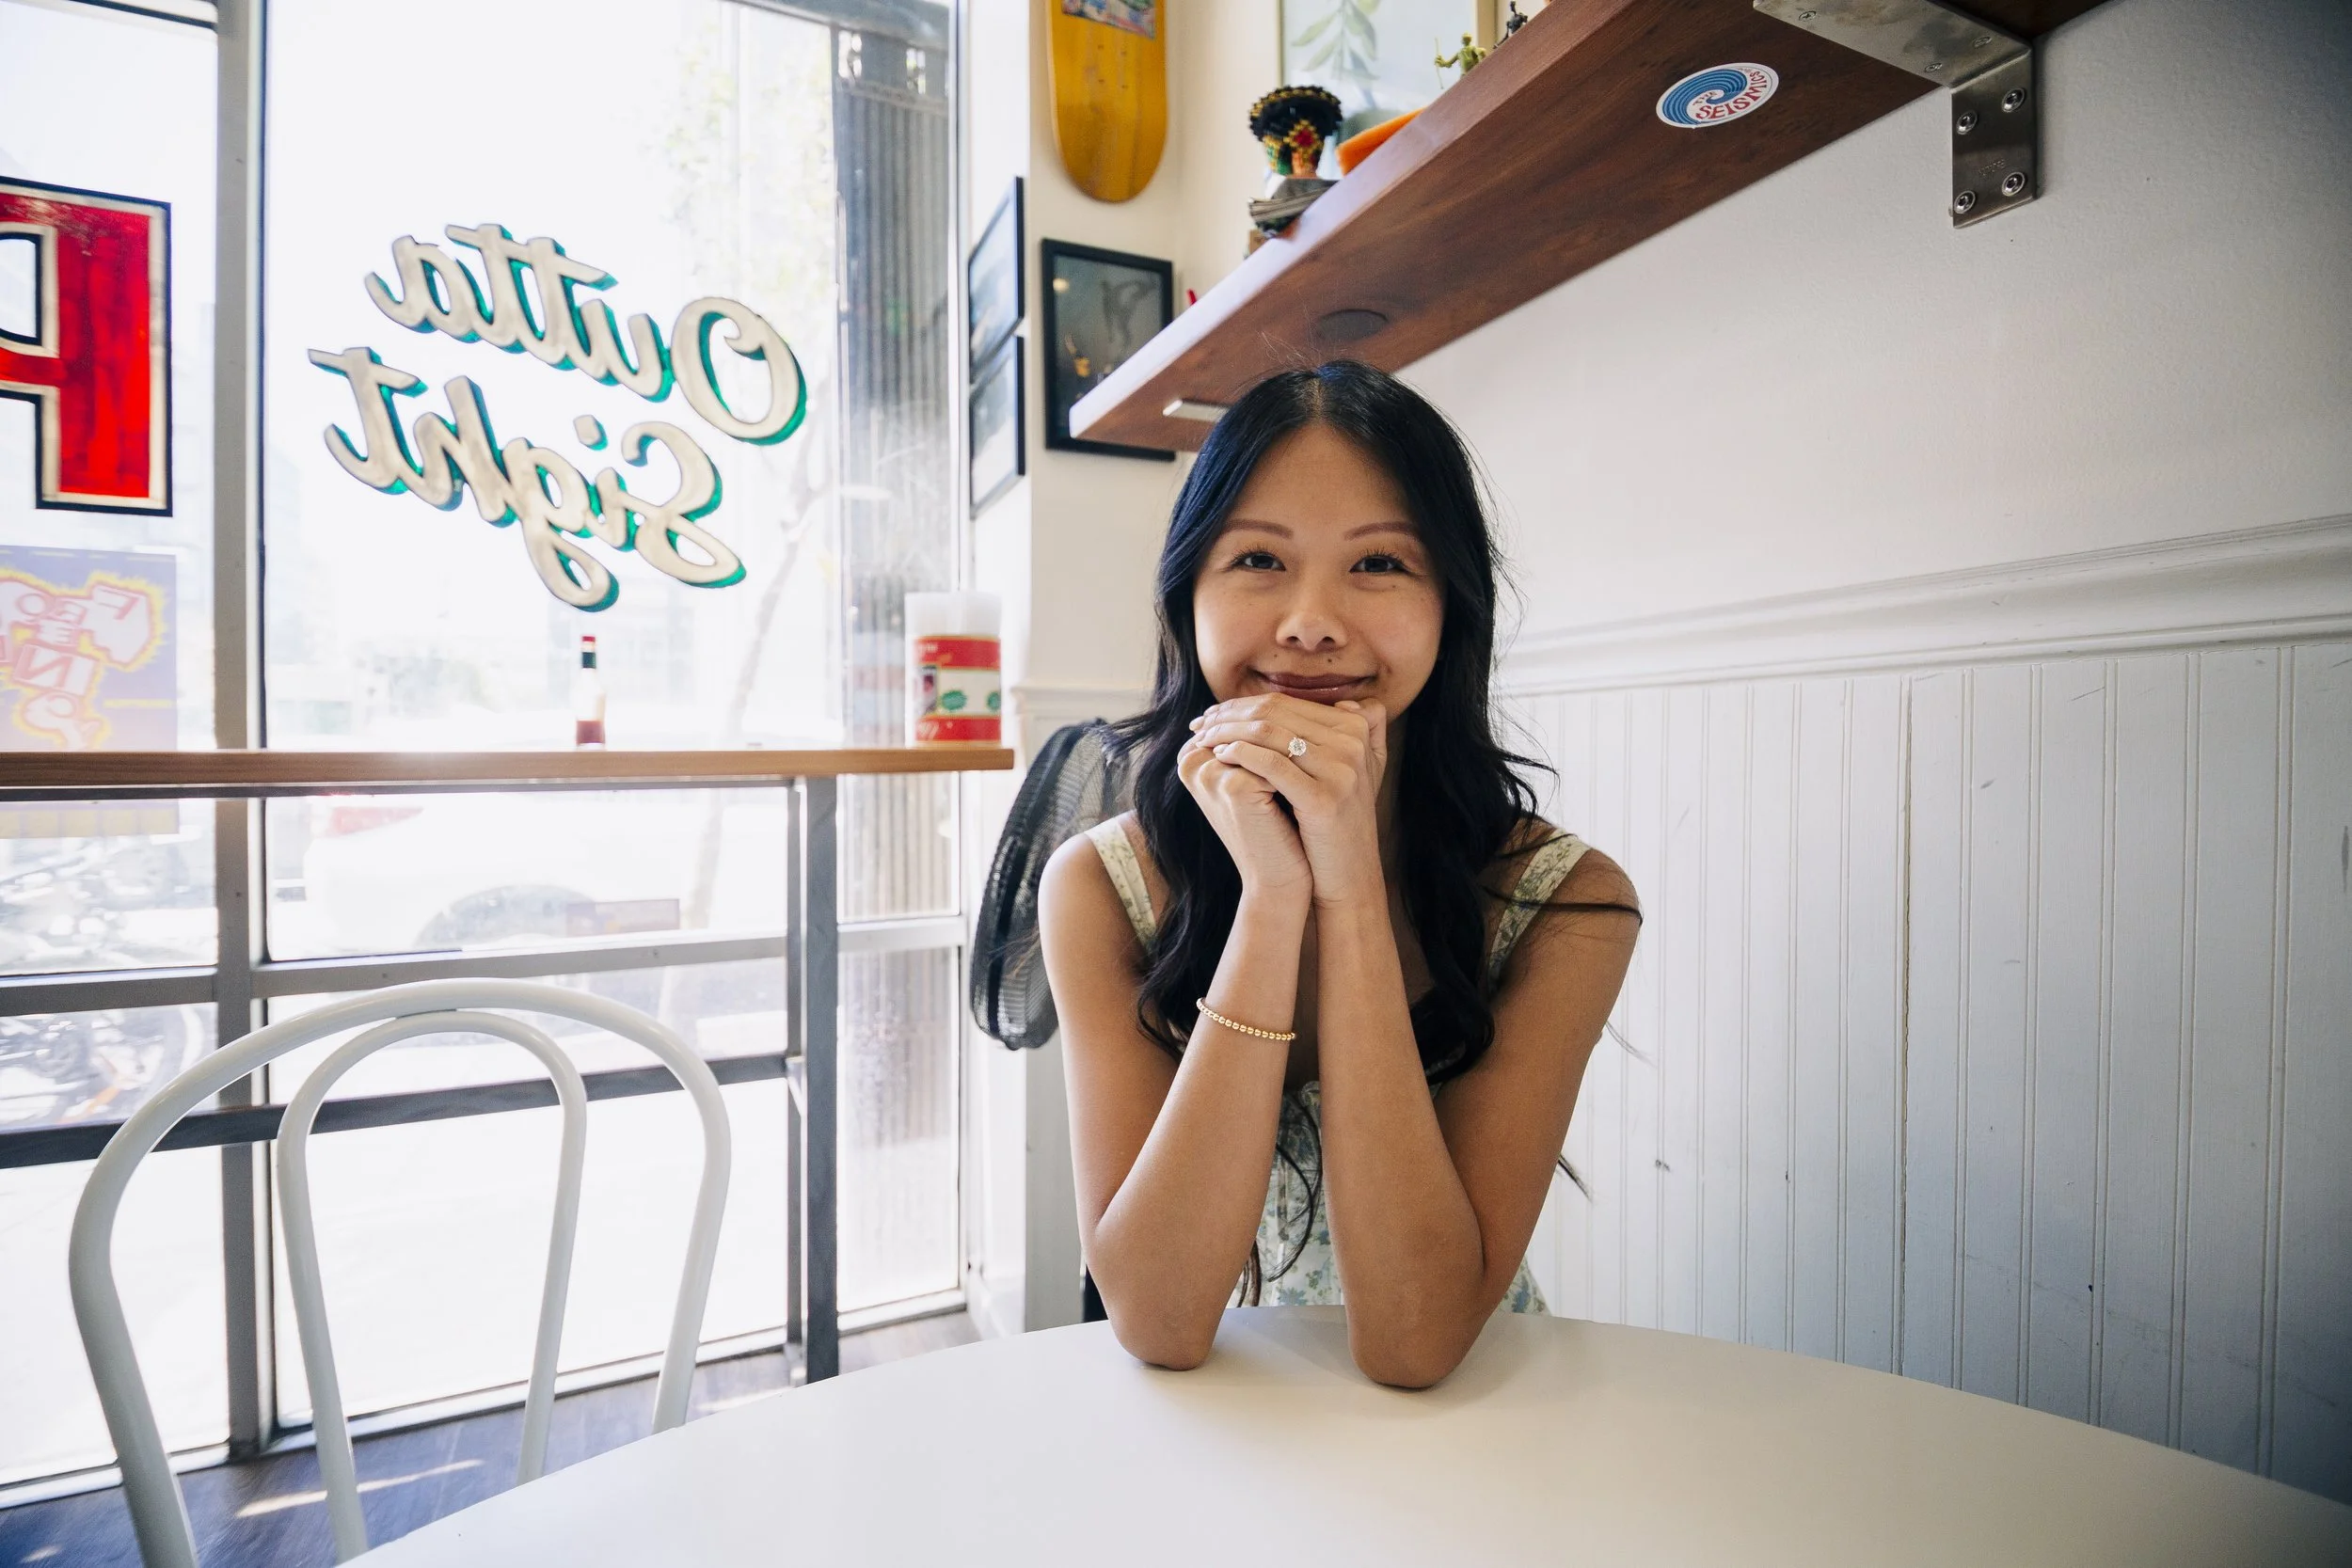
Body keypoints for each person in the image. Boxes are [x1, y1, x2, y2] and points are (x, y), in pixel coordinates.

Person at [1038, 360, 1641, 1388]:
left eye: (1378, 565)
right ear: (1186, 593)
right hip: (1211, 1428)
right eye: (1258, 557)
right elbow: (1159, 1316)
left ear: (1453, 603)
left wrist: (1349, 889)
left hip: (1475, 1432)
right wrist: (1272, 899)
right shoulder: (1102, 887)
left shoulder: (1565, 902)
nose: (1310, 621)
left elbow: (1416, 1341)